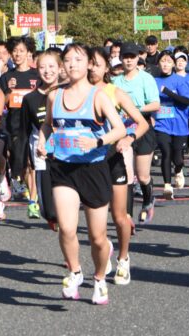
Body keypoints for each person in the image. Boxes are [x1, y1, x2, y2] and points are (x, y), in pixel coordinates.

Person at [37, 44, 126, 305]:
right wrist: (43, 142)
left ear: (88, 63)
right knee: (66, 228)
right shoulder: (54, 96)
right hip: (63, 168)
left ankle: (99, 278)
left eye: (78, 59)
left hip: (93, 169)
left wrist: (97, 143)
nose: (72, 64)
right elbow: (47, 125)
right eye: (68, 60)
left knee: (98, 238)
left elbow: (119, 129)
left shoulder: (98, 96)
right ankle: (75, 272)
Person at [88, 47, 149, 286]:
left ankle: (123, 259)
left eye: (97, 63)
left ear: (106, 68)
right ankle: (104, 253)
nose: (92, 67)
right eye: (89, 63)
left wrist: (128, 138)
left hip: (112, 159)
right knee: (96, 220)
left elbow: (141, 123)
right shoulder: (74, 92)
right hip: (86, 163)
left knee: (120, 216)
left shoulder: (115, 92)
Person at [112, 43, 160, 224]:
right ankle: (128, 216)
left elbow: (155, 104)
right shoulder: (115, 82)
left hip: (142, 128)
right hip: (123, 131)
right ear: (121, 59)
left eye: (132, 57)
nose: (129, 60)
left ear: (137, 58)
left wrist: (135, 109)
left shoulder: (146, 78)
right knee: (128, 174)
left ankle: (148, 199)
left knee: (143, 176)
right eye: (125, 57)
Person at [0, 36, 39, 212]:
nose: (17, 54)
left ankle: (34, 201)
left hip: (33, 123)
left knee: (32, 162)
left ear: (29, 53)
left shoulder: (37, 75)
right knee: (19, 161)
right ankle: (19, 182)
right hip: (14, 124)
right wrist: (10, 91)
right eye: (14, 51)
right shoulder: (6, 77)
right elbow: (2, 102)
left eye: (21, 51)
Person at [20, 49, 61, 227]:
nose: (47, 71)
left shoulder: (68, 92)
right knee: (49, 210)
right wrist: (21, 159)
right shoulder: (30, 98)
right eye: (42, 67)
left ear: (60, 68)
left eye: (52, 66)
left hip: (66, 147)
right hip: (40, 148)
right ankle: (52, 216)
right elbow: (23, 129)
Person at [153, 51, 189, 199]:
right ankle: (167, 186)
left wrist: (168, 93)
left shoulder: (179, 80)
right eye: (163, 61)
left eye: (168, 61)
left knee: (178, 158)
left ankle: (178, 170)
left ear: (173, 64)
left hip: (179, 124)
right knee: (165, 152)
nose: (165, 64)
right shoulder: (153, 81)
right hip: (161, 123)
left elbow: (187, 101)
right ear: (158, 63)